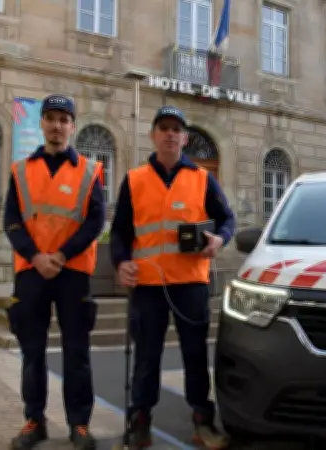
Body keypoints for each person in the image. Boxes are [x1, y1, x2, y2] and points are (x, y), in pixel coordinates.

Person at [109, 106, 236, 449]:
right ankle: (140, 423)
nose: (169, 134)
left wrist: (220, 240)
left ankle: (202, 422)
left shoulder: (201, 178)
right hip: (148, 286)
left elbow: (227, 219)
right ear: (153, 135)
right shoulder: (135, 180)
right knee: (146, 358)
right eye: (163, 127)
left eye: (175, 129)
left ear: (184, 137)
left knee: (195, 356)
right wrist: (121, 262)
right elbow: (119, 231)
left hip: (191, 283)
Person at [3, 94, 106, 450]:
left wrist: (60, 255)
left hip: (72, 271)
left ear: (72, 126)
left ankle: (79, 424)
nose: (57, 125)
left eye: (64, 119)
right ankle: (35, 420)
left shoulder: (90, 171)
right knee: (32, 352)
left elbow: (95, 222)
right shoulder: (20, 170)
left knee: (76, 352)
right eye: (50, 118)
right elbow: (11, 221)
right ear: (42, 123)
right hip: (32, 273)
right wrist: (36, 257)